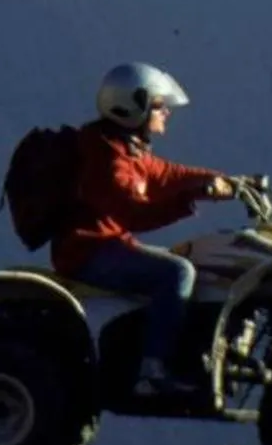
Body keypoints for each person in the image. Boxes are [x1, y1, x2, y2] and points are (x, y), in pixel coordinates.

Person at [52, 62, 235, 398]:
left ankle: (190, 358)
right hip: (87, 253)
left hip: (108, 247)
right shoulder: (105, 158)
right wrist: (186, 202)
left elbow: (169, 173)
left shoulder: (124, 147)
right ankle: (152, 373)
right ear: (132, 106)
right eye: (158, 105)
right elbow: (134, 215)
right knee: (177, 272)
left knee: (199, 266)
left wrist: (225, 181)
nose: (166, 112)